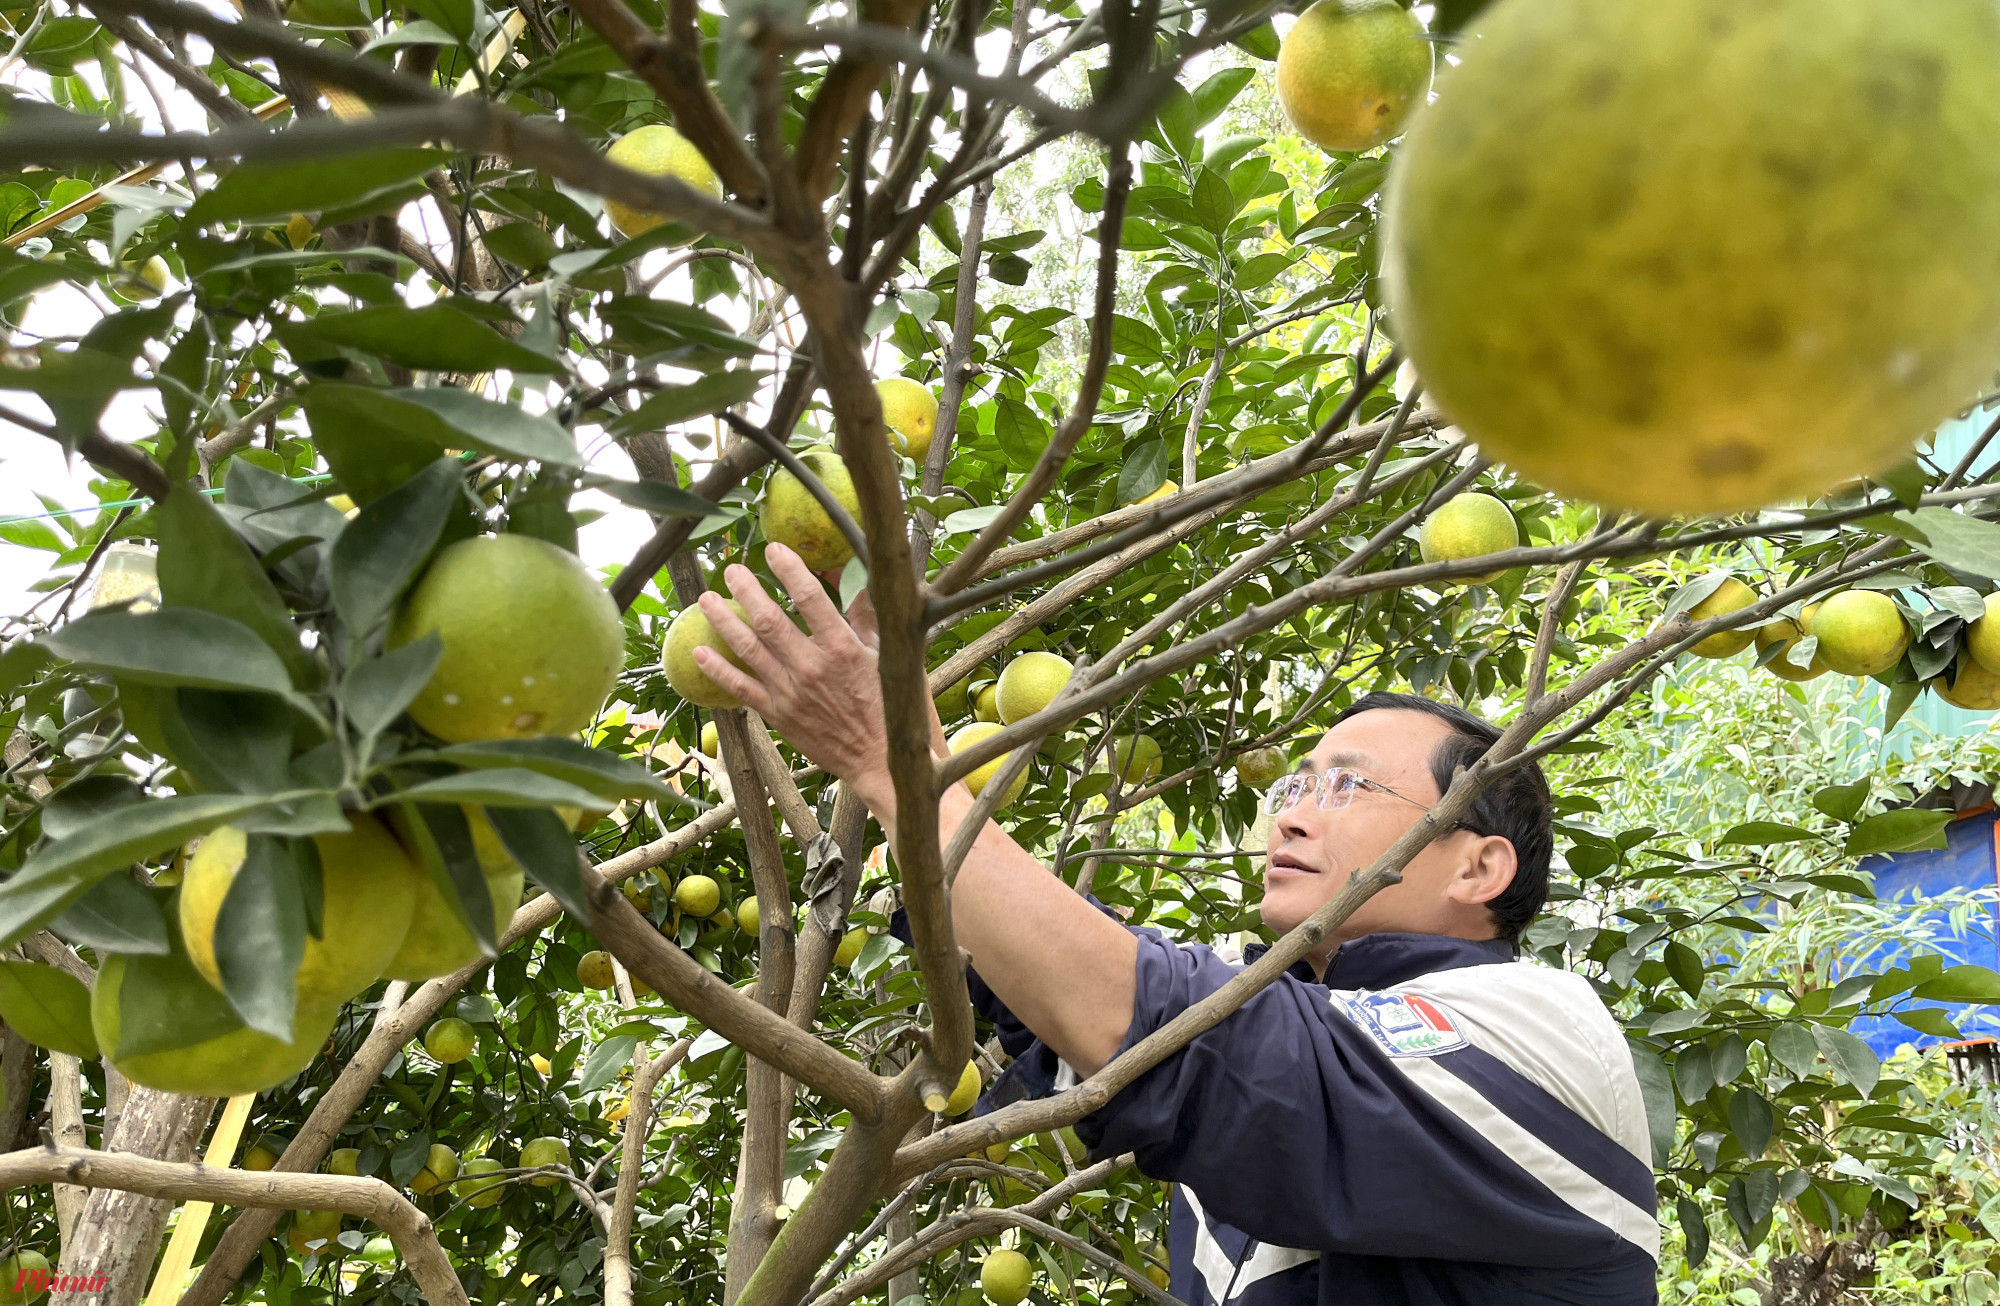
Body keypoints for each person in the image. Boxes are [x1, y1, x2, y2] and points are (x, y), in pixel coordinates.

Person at [689, 543, 1660, 1306]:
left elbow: (1185, 1036)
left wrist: (898, 770)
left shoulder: (1539, 1024)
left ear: (1478, 862)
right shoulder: (1302, 1013)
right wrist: (919, 837)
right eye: (1292, 782)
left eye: (1347, 785)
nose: (1286, 811)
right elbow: (1105, 1001)